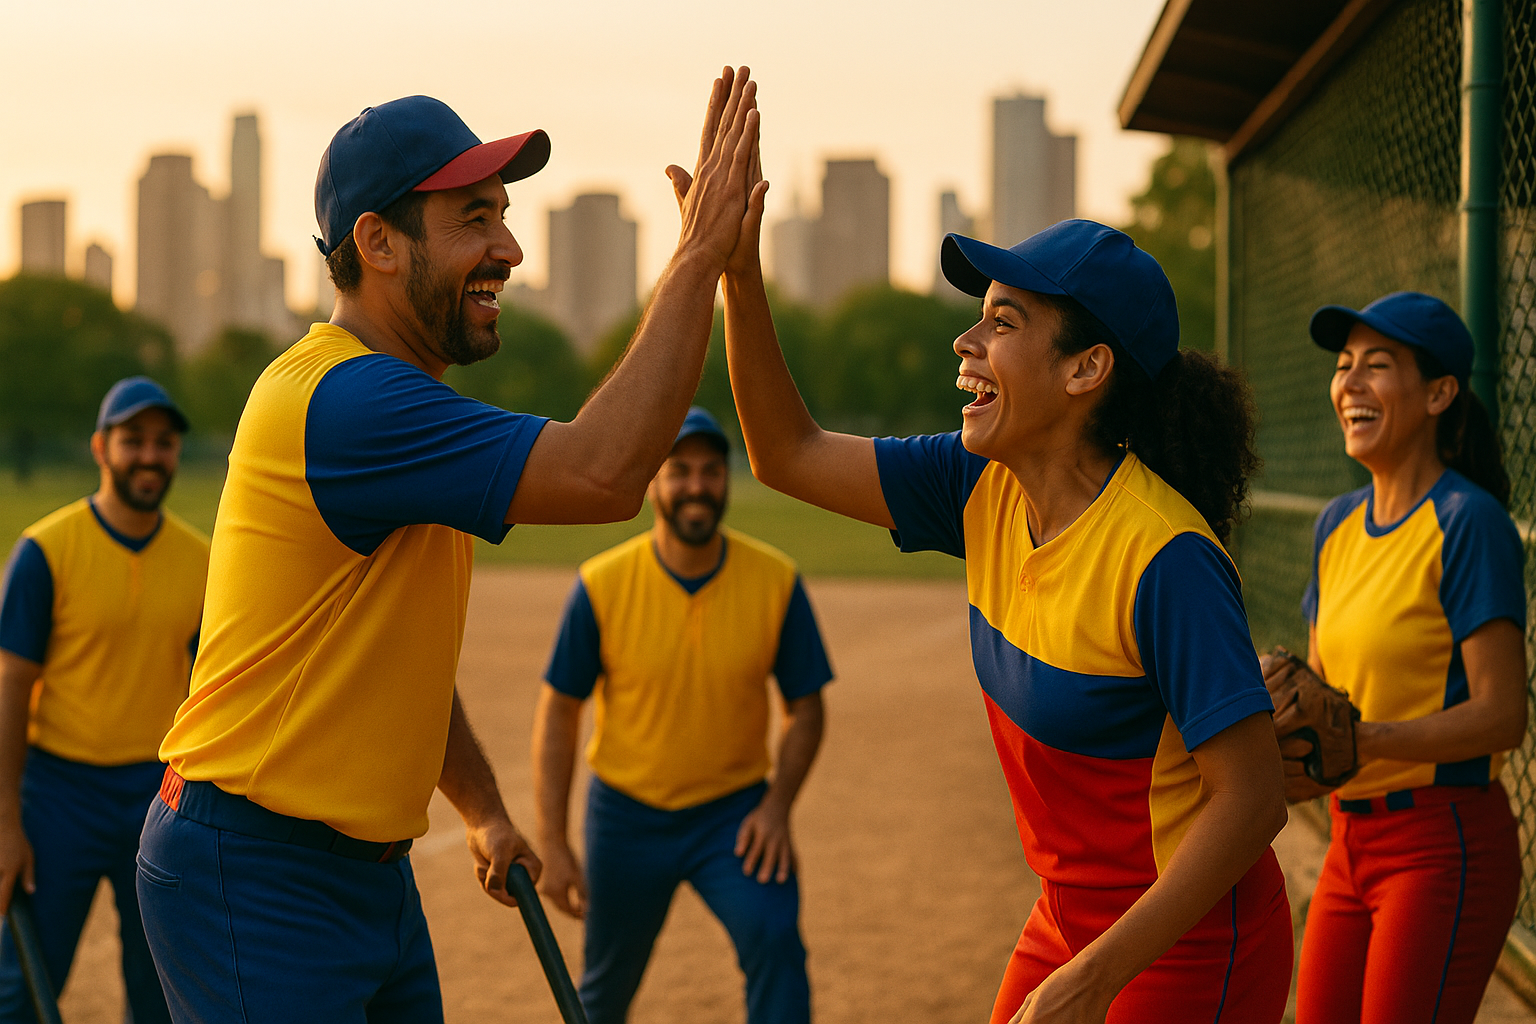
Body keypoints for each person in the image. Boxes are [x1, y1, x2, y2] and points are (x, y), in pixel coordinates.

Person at [136, 70, 764, 1023]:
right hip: (252, 868)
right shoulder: (348, 402)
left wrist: (479, 806)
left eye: (502, 216)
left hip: (361, 873)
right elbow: (605, 473)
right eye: (473, 219)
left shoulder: (401, 407)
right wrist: (699, 255)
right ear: (377, 243)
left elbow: (400, 659)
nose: (507, 248)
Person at [722, 202, 1293, 1022]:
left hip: (1187, 946)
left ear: (1085, 369)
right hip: (1066, 922)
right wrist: (740, 276)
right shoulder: (977, 482)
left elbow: (1252, 800)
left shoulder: (1167, 559)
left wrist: (1096, 979)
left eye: (1002, 321)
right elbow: (787, 454)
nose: (967, 341)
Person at [533, 406, 832, 1024]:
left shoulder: (775, 580)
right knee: (605, 988)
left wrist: (776, 809)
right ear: (653, 483)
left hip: (735, 815)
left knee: (776, 940)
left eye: (710, 471)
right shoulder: (601, 584)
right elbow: (560, 711)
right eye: (679, 471)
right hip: (626, 816)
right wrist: (554, 841)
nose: (697, 485)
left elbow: (806, 709)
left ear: (726, 480)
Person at [1283, 292, 1527, 1024]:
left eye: (1377, 366)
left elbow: (1501, 716)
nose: (1350, 382)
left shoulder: (1468, 521)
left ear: (1439, 393)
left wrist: (1369, 741)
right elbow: (1322, 689)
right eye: (1344, 366)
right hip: (1349, 839)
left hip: (1441, 842)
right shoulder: (1338, 524)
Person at [0, 377, 208, 1023]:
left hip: (160, 794)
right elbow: (11, 684)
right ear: (101, 447)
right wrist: (6, 820)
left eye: (164, 443)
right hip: (58, 792)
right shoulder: (45, 550)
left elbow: (212, 690)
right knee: (24, 985)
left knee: (161, 989)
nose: (149, 456)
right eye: (133, 440)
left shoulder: (204, 559)